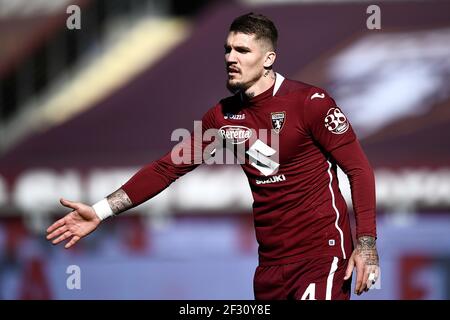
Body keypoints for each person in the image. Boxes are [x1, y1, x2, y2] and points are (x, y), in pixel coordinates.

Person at [46, 13, 379, 300]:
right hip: (269, 267)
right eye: (228, 49)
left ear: (268, 59)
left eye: (242, 50)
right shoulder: (221, 117)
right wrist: (101, 211)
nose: (230, 57)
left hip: (321, 257)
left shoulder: (311, 102)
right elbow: (167, 169)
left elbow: (359, 170)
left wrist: (365, 245)